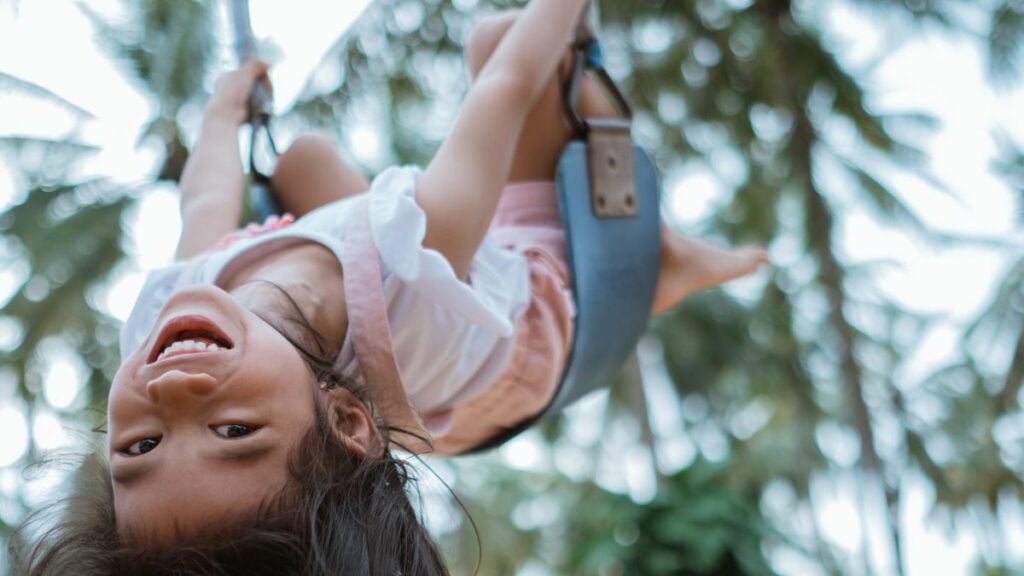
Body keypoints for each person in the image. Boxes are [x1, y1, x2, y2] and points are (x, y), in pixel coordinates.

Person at [10, 2, 768, 574]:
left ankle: (670, 263)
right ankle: (663, 265)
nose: (175, 392)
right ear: (344, 419)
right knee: (497, 41)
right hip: (528, 329)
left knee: (298, 157)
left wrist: (222, 111)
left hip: (395, 328)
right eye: (233, 433)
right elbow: (503, 89)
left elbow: (204, 203)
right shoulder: (408, 266)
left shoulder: (167, 318)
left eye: (140, 445)